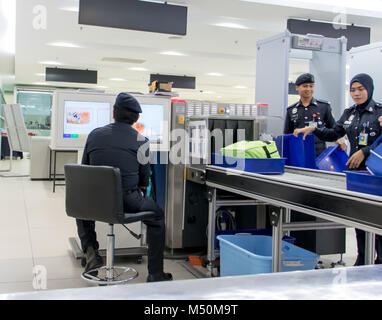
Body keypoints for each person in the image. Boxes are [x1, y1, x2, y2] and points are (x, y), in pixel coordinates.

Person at [76, 92, 172, 282]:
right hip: (127, 201)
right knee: (157, 216)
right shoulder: (142, 141)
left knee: (83, 207)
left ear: (114, 112)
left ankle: (91, 253)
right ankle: (155, 273)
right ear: (136, 118)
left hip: (96, 202)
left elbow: (84, 170)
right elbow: (144, 182)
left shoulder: (94, 135)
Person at [294, 73, 382, 265]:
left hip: (376, 175)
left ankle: (380, 259)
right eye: (352, 90)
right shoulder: (349, 113)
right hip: (356, 173)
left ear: (369, 89)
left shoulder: (380, 112)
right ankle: (363, 258)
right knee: (360, 219)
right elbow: (334, 132)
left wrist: (365, 151)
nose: (356, 93)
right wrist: (314, 129)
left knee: (377, 219)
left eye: (360, 89)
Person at [284, 73, 346, 156]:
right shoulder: (291, 110)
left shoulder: (324, 106)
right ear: (297, 87)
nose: (308, 89)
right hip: (298, 152)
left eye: (311, 86)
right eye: (305, 86)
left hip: (318, 152)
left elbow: (334, 129)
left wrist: (338, 140)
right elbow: (287, 134)